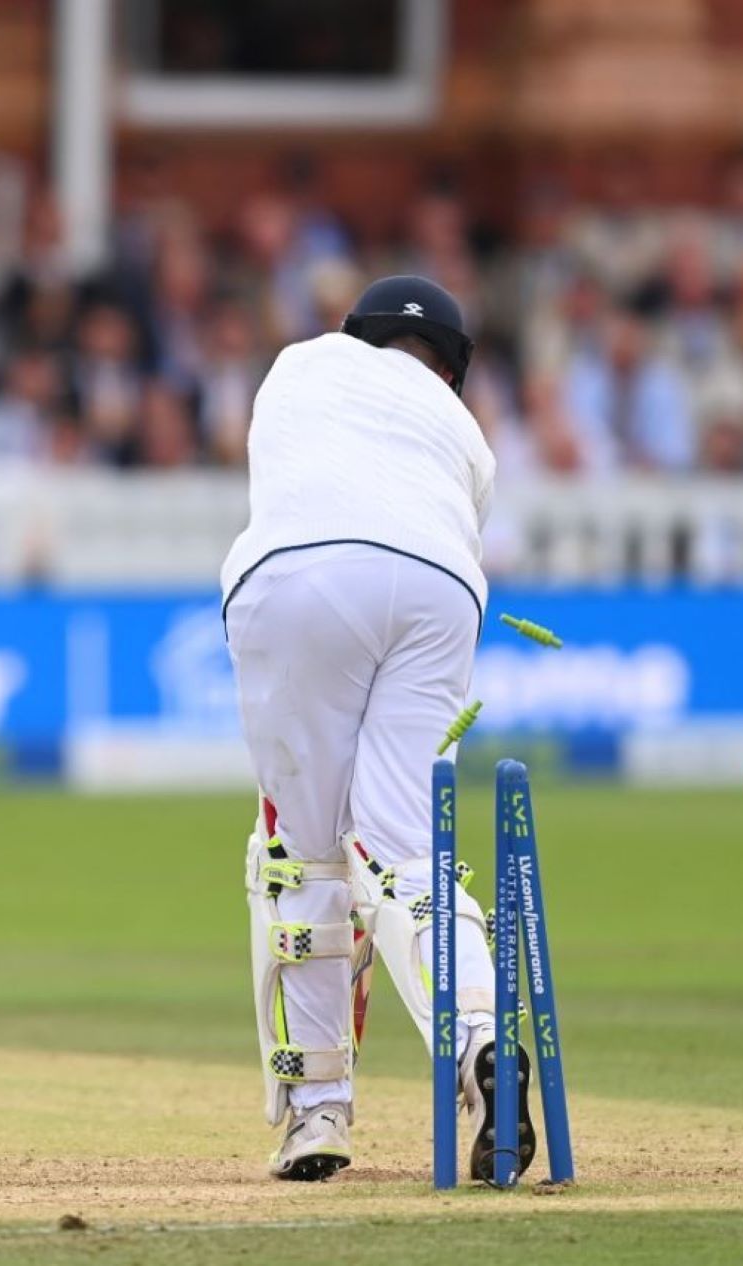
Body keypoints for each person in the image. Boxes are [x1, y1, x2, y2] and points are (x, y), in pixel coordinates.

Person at [220, 276, 529, 1182]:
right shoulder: (466, 435)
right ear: (452, 369)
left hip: (297, 573)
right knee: (406, 848)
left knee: (302, 853)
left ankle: (316, 1112)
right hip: (440, 587)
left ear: (360, 333)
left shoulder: (301, 364)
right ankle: (477, 1043)